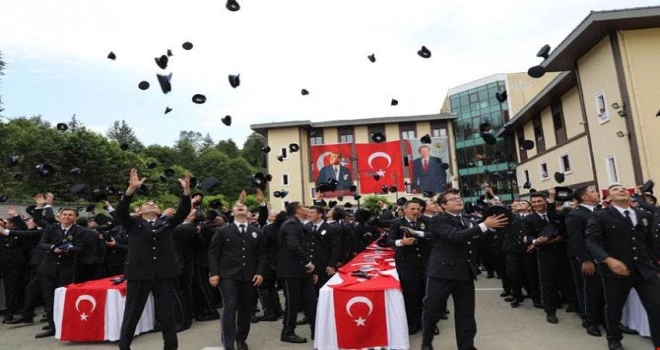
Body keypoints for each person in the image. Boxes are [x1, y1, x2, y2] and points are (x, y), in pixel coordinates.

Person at [419, 189, 507, 350]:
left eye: (459, 198)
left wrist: (491, 229)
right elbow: (455, 236)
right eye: (452, 199)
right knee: (432, 309)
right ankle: (427, 342)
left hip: (465, 272)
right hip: (442, 272)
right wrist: (483, 225)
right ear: (443, 206)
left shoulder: (468, 221)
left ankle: (467, 346)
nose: (458, 200)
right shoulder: (438, 221)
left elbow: (478, 241)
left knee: (466, 314)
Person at [116, 168, 191, 350]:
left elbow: (183, 212)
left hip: (164, 273)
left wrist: (186, 192)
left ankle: (170, 347)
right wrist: (130, 191)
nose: (151, 204)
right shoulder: (133, 224)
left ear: (159, 211)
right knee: (132, 313)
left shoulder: (167, 222)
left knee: (167, 314)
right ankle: (124, 346)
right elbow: (121, 213)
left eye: (154, 203)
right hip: (138, 274)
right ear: (139, 211)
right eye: (146, 203)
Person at [585, 184, 660, 350]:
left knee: (656, 306)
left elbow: (650, 244)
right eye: (615, 189)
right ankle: (614, 337)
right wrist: (608, 260)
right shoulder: (601, 216)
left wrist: (656, 267)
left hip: (644, 270)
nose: (621, 190)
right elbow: (591, 242)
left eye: (623, 188)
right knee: (614, 306)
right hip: (616, 271)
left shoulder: (643, 215)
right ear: (609, 198)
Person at [209, 201, 265, 350]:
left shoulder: (257, 232)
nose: (240, 206)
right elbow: (214, 253)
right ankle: (228, 343)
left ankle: (241, 339)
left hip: (249, 276)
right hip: (228, 276)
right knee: (230, 307)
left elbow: (261, 255)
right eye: (236, 206)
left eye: (244, 206)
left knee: (246, 309)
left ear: (248, 213)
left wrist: (260, 272)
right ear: (232, 213)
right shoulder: (222, 231)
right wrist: (214, 273)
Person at [564, 186, 604, 337]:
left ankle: (606, 320)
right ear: (585, 197)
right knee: (588, 290)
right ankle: (590, 321)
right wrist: (585, 260)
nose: (597, 193)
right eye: (593, 192)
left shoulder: (600, 212)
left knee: (603, 290)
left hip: (602, 257)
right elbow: (576, 240)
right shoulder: (575, 215)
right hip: (585, 259)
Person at [387, 199, 430, 335]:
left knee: (427, 294)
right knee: (411, 294)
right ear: (405, 209)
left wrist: (419, 234)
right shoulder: (396, 223)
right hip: (406, 264)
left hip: (424, 262)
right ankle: (413, 323)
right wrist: (402, 242)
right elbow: (389, 241)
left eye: (418, 209)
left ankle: (428, 324)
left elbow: (433, 235)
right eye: (412, 209)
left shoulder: (425, 221)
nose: (416, 212)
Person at [277, 201, 317, 344]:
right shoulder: (291, 224)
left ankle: (316, 330)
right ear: (298, 211)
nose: (307, 209)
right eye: (304, 207)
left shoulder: (296, 223)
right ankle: (287, 332)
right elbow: (293, 245)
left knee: (311, 301)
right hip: (291, 270)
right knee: (293, 303)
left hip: (300, 270)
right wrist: (307, 262)